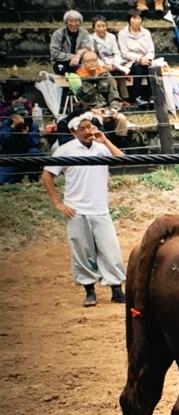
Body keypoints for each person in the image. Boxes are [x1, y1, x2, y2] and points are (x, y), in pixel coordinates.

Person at [42, 113, 127, 307]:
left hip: (100, 208)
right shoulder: (65, 150)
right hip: (76, 210)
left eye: (90, 127)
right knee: (82, 252)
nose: (89, 131)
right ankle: (89, 291)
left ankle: (116, 289)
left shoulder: (101, 148)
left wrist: (106, 141)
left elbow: (123, 161)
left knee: (110, 250)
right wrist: (57, 203)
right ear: (74, 132)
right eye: (83, 128)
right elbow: (47, 175)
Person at [75, 50, 130, 139]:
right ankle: (101, 142)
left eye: (94, 60)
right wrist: (93, 111)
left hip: (107, 110)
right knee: (97, 119)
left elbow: (114, 96)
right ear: (83, 62)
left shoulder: (106, 76)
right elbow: (78, 104)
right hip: (91, 113)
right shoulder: (78, 79)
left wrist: (114, 109)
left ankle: (121, 143)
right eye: (88, 61)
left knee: (122, 118)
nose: (92, 63)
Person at [117, 9, 154, 105]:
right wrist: (139, 59)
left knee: (151, 68)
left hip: (146, 60)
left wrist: (147, 58)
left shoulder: (146, 32)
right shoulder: (122, 33)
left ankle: (152, 95)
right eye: (134, 18)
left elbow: (151, 50)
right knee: (138, 67)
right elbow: (124, 52)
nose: (136, 21)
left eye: (139, 18)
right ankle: (136, 96)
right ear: (129, 19)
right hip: (130, 62)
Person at [0, 104, 42, 183]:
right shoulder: (7, 123)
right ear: (12, 117)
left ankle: (34, 178)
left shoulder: (31, 124)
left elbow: (35, 143)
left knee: (34, 152)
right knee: (1, 181)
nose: (22, 118)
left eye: (24, 115)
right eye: (20, 116)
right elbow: (2, 140)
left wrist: (25, 132)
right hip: (11, 157)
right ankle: (16, 178)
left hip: (27, 155)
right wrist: (13, 127)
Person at [50, 10, 94, 76]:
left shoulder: (84, 33)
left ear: (80, 22)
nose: (73, 24)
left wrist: (78, 55)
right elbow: (55, 53)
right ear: (66, 22)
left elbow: (87, 48)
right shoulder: (58, 34)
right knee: (67, 72)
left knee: (89, 69)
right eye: (70, 21)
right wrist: (73, 56)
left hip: (79, 61)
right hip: (61, 62)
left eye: (76, 21)